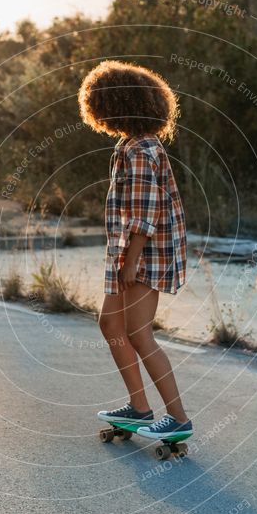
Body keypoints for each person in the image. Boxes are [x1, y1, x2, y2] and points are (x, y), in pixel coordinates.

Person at [77, 60, 192, 440]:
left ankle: (177, 419)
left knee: (139, 333)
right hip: (130, 252)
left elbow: (145, 213)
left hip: (145, 254)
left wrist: (131, 262)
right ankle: (140, 408)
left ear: (114, 105)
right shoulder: (131, 144)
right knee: (110, 324)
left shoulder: (141, 150)